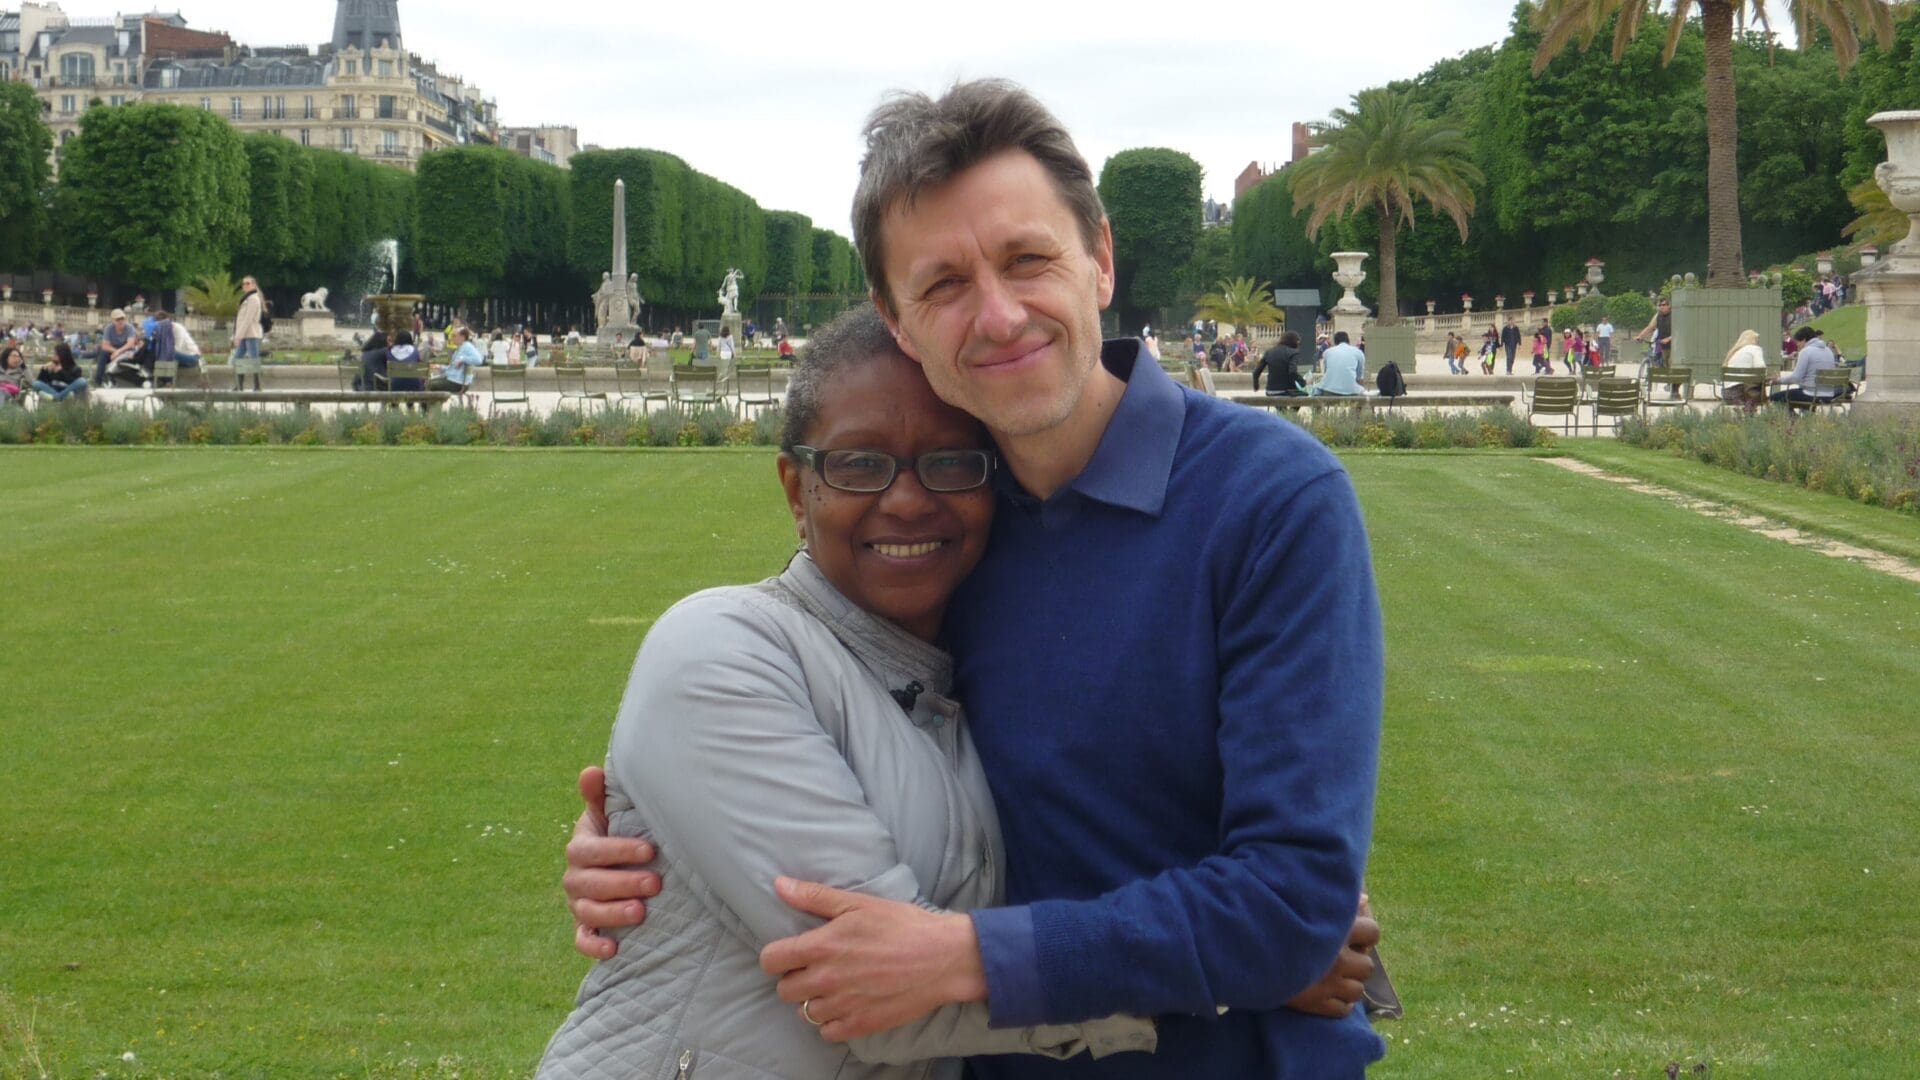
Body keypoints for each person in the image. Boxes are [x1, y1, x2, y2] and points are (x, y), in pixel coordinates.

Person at [562, 78, 1385, 1079]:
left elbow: (1291, 902)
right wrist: (657, 837)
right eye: (945, 284)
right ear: (896, 318)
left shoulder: (1272, 500)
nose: (998, 316)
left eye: (1028, 260)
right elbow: (832, 710)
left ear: (1101, 259)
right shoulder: (951, 525)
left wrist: (970, 957)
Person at [538, 308, 1161, 1079]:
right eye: (859, 464)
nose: (907, 500)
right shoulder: (718, 649)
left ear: (991, 485)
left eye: (950, 462)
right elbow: (888, 998)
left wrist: (1252, 915)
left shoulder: (978, 675)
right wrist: (1220, 965)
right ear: (796, 491)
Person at [1770, 326, 1844, 407]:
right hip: (1829, 394)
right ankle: (1803, 414)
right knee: (1797, 394)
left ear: (1804, 340)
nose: (1797, 345)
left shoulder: (1806, 351)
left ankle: (1792, 415)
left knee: (1775, 397)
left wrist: (1779, 380)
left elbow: (1796, 377)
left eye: (1798, 342)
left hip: (1811, 394)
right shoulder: (1828, 351)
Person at [1636, 298, 1677, 399]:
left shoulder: (1675, 315)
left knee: (1672, 365)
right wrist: (1640, 336)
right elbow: (1650, 327)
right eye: (1660, 305)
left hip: (1675, 346)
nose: (1661, 307)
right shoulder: (1658, 315)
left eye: (1664, 305)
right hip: (1663, 345)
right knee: (1665, 364)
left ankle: (1674, 389)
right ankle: (1669, 383)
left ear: (1669, 306)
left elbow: (1679, 331)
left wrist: (1669, 338)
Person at [1720, 329, 1767, 412]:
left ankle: (1750, 412)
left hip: (1727, 394)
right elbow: (1761, 367)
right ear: (1754, 340)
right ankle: (1761, 406)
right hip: (1744, 394)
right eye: (1757, 340)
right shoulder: (1755, 348)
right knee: (1758, 385)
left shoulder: (1734, 351)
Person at [231, 276, 265, 392]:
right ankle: (239, 385)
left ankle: (257, 386)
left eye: (248, 283)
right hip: (245, 334)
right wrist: (238, 334)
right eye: (243, 284)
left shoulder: (253, 299)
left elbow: (248, 319)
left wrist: (238, 336)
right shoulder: (247, 298)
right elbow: (241, 320)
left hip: (251, 334)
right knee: (237, 359)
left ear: (254, 285)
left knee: (253, 360)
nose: (245, 285)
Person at [430, 326, 485, 396]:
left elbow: (479, 360)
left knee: (428, 385)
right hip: (453, 380)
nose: (451, 338)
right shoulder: (460, 348)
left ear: (462, 337)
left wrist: (463, 359)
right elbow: (452, 368)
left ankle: (432, 402)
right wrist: (439, 366)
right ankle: (435, 402)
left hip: (457, 383)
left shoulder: (467, 346)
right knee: (427, 383)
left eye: (454, 336)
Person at [1251, 331, 1305, 396]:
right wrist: (1303, 383)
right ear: (1293, 341)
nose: (1298, 344)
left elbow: (1256, 372)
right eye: (1298, 342)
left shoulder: (1269, 352)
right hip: (1287, 391)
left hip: (1270, 391)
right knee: (1305, 395)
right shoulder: (1293, 352)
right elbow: (1292, 372)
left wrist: (1256, 386)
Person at [94, 309, 137, 387]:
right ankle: (98, 381)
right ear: (113, 321)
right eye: (118, 319)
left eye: (122, 318)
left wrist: (118, 352)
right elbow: (105, 346)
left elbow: (130, 344)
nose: (120, 321)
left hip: (126, 350)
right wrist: (116, 351)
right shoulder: (108, 328)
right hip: (113, 350)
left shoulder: (130, 328)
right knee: (102, 353)